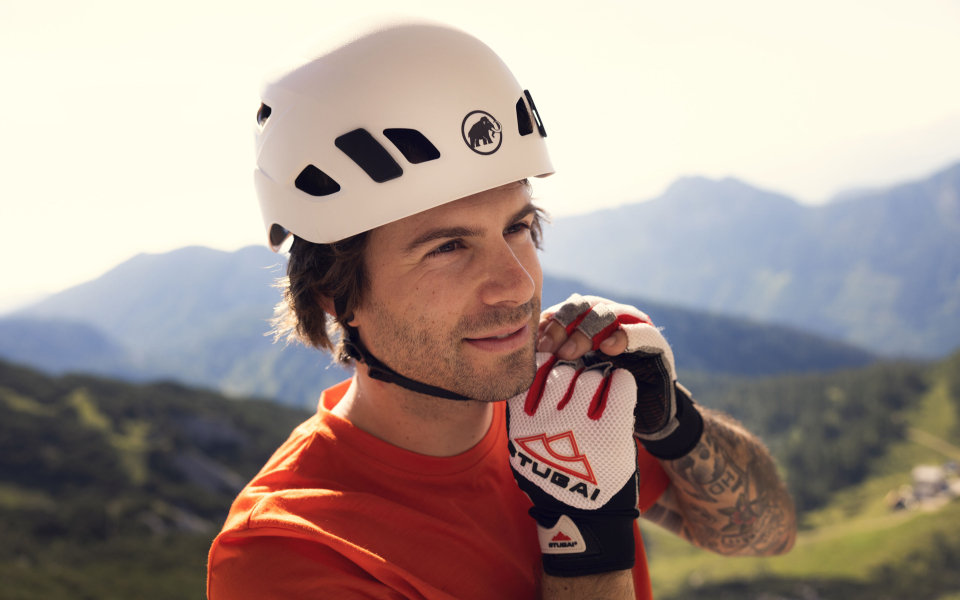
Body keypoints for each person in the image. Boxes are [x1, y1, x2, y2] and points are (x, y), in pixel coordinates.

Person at [206, 17, 797, 600]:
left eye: (518, 227)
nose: (516, 285)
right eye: (448, 247)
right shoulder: (289, 553)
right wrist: (584, 538)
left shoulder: (561, 406)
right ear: (336, 295)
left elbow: (765, 535)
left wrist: (672, 423)